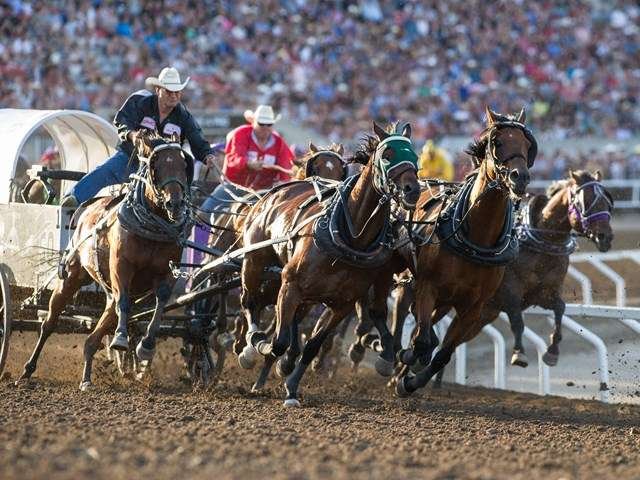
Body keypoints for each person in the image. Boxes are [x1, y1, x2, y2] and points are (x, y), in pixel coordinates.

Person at [60, 67, 217, 207]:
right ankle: (74, 198)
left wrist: (207, 155)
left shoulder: (183, 115)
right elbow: (122, 120)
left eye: (177, 92)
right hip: (131, 156)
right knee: (105, 171)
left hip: (163, 166)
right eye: (169, 91)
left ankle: (184, 221)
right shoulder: (141, 102)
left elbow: (196, 138)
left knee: (179, 190)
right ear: (158, 89)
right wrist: (132, 135)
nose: (174, 96)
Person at [199, 104, 294, 215]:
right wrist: (248, 164)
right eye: (262, 123)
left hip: (262, 193)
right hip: (233, 186)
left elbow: (286, 167)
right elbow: (233, 158)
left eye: (269, 124)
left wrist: (282, 182)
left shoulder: (280, 143)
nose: (265, 127)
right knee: (205, 211)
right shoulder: (240, 134)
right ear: (253, 122)